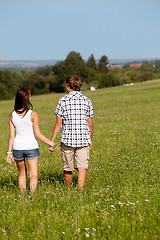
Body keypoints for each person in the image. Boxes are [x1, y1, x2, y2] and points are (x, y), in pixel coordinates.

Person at [49, 75, 94, 190]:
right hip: (83, 139)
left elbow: (58, 123)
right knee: (82, 167)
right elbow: (90, 123)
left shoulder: (63, 100)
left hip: (67, 140)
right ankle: (80, 191)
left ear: (68, 87)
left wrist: (52, 140)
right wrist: (90, 139)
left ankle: (69, 190)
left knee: (68, 167)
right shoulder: (86, 100)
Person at [7, 88, 55, 193]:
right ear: (27, 99)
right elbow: (38, 134)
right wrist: (51, 143)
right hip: (31, 147)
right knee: (33, 174)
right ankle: (32, 195)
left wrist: (9, 153)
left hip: (17, 148)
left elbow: (11, 136)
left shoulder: (12, 115)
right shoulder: (33, 114)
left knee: (21, 174)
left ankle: (22, 196)